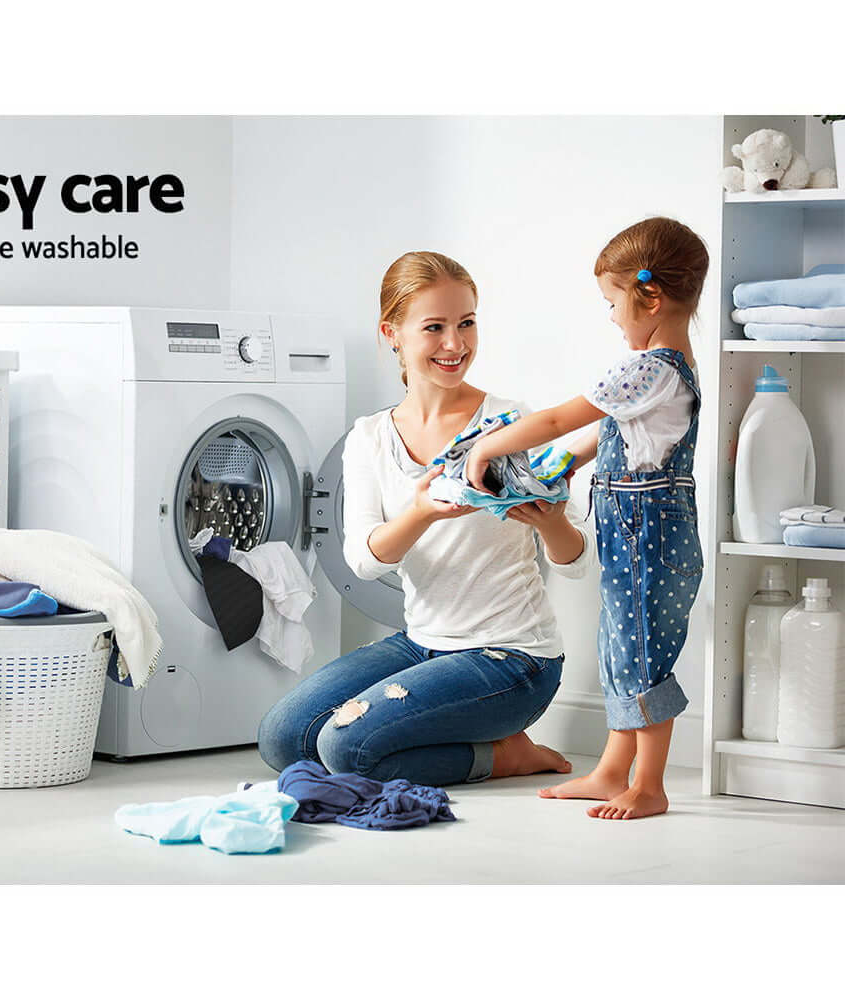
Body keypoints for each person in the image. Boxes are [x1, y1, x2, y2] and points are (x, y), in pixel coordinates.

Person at [257, 250, 594, 787]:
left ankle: (507, 755)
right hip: (422, 643)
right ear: (391, 332)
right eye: (434, 327)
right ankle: (469, 741)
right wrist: (420, 511)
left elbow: (576, 563)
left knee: (344, 748)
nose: (455, 345)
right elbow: (365, 561)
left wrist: (549, 521)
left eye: (466, 324)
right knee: (282, 738)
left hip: (512, 659)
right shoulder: (370, 436)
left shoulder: (508, 423)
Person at [464, 217, 709, 819]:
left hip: (648, 533)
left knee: (642, 656)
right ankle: (610, 772)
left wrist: (486, 448)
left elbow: (556, 419)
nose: (611, 317)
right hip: (640, 529)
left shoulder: (648, 368)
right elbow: (614, 433)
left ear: (648, 296)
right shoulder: (669, 368)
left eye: (612, 303)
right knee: (621, 648)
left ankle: (648, 785)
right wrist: (569, 463)